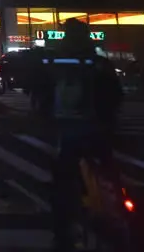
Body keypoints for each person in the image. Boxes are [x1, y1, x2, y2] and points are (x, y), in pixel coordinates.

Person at [43, 18, 124, 251]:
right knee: (107, 171)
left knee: (62, 182)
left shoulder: (58, 62)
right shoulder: (98, 63)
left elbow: (42, 91)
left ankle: (63, 232)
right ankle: (118, 211)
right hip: (98, 129)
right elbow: (115, 95)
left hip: (70, 130)